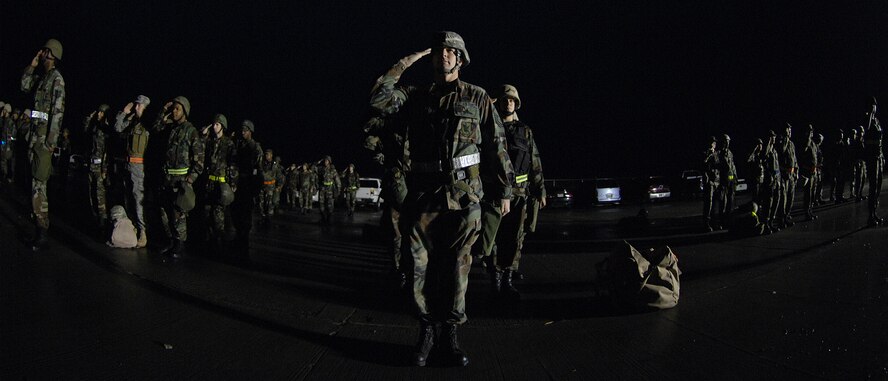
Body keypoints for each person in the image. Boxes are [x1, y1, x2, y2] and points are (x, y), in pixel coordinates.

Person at [369, 31, 513, 367]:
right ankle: (426, 332)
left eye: (451, 51)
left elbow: (496, 145)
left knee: (457, 270)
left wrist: (505, 191)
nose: (444, 55)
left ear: (460, 59)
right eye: (439, 51)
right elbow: (378, 99)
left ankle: (450, 335)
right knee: (419, 268)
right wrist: (409, 60)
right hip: (423, 199)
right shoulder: (415, 97)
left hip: (464, 200)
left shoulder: (477, 98)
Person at [482, 84, 545, 301]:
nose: (508, 102)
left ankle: (507, 279)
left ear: (516, 104)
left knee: (513, 238)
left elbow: (534, 161)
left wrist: (540, 189)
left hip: (519, 193)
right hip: (493, 192)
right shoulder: (489, 126)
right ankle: (495, 280)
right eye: (504, 99)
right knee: (493, 238)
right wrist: (488, 103)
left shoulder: (524, 130)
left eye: (512, 100)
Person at [20, 39, 66, 250]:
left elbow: (57, 113)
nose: (42, 52)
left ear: (52, 53)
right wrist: (32, 65)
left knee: (39, 186)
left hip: (43, 142)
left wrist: (50, 143)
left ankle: (42, 230)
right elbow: (24, 86)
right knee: (34, 185)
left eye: (45, 50)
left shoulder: (57, 80)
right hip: (34, 138)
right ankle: (38, 225)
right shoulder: (42, 78)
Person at [152, 96, 204, 259]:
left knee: (179, 214)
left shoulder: (191, 131)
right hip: (166, 178)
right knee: (164, 212)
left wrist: (189, 180)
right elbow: (155, 128)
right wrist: (163, 112)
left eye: (177, 109)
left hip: (181, 179)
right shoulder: (171, 128)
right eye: (173, 108)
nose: (174, 111)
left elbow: (199, 161)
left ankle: (180, 244)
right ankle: (171, 241)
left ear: (185, 111)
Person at [113, 95, 151, 248]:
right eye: (136, 105)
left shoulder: (147, 124)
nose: (136, 108)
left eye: (139, 106)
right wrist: (123, 112)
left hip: (140, 168)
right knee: (128, 198)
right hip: (128, 166)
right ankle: (133, 227)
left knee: (138, 200)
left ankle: (143, 232)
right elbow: (117, 128)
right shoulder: (132, 122)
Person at [200, 114, 237, 250]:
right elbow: (200, 150)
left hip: (220, 185)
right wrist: (203, 136)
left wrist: (233, 182)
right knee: (206, 214)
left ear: (223, 126)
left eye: (217, 124)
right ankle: (210, 241)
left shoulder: (228, 143)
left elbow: (232, 164)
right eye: (214, 124)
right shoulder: (209, 141)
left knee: (218, 217)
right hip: (209, 183)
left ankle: (218, 243)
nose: (214, 126)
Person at [231, 120, 262, 256]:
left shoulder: (255, 147)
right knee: (236, 211)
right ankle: (239, 235)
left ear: (250, 131)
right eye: (242, 129)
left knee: (246, 213)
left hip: (248, 184)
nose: (243, 132)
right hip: (238, 183)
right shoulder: (239, 145)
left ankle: (244, 239)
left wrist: (255, 188)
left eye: (246, 130)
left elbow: (258, 170)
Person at [84, 104, 112, 230]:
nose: (99, 114)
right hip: (91, 163)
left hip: (100, 166)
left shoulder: (106, 129)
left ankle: (102, 219)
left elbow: (107, 150)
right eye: (99, 112)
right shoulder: (95, 127)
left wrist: (104, 169)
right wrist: (89, 119)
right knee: (91, 192)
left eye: (102, 113)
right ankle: (94, 216)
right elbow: (86, 132)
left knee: (100, 193)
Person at [864, 102, 884, 226]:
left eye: (875, 106)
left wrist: (882, 156)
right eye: (872, 105)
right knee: (873, 186)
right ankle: (870, 216)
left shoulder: (876, 120)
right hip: (872, 157)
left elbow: (880, 140)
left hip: (878, 156)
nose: (874, 107)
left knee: (878, 186)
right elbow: (866, 129)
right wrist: (870, 114)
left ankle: (874, 212)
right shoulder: (868, 118)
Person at [761, 130, 783, 234]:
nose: (774, 138)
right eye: (772, 137)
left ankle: (771, 222)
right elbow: (764, 161)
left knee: (776, 201)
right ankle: (765, 224)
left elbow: (777, 166)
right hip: (770, 180)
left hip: (776, 179)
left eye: (774, 136)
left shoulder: (774, 150)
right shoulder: (767, 149)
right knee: (768, 202)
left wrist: (779, 179)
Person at [776, 123, 798, 228]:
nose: (789, 131)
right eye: (788, 130)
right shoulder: (781, 142)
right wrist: (785, 138)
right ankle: (781, 219)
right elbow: (782, 151)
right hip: (784, 174)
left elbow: (794, 159)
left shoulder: (792, 143)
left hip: (791, 173)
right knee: (783, 198)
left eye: (790, 130)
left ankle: (786, 216)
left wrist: (796, 171)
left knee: (791, 197)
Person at [798, 125, 819, 221]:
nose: (811, 133)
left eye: (812, 131)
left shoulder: (813, 143)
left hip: (814, 171)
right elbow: (802, 154)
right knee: (808, 193)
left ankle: (810, 211)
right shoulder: (805, 142)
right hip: (808, 171)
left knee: (813, 193)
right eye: (809, 131)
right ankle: (807, 212)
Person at [716, 134, 737, 227]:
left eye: (728, 141)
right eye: (726, 141)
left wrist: (735, 177)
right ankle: (721, 221)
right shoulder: (719, 153)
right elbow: (717, 167)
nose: (727, 143)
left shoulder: (730, 153)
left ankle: (728, 220)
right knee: (722, 202)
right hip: (723, 181)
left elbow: (733, 166)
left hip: (731, 180)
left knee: (730, 201)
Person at [258, 149, 282, 224]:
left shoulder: (275, 165)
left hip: (271, 186)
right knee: (261, 202)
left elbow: (279, 176)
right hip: (262, 185)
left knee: (269, 202)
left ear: (271, 155)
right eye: (266, 154)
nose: (267, 155)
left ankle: (268, 217)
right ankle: (263, 216)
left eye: (268, 154)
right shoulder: (262, 163)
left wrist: (279, 186)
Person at [702, 136, 720, 231]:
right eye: (711, 142)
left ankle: (714, 222)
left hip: (716, 180)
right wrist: (709, 155)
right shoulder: (705, 153)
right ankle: (706, 223)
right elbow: (703, 164)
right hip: (709, 181)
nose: (712, 144)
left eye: (713, 143)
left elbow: (718, 164)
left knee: (715, 203)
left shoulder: (716, 153)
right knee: (708, 202)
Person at [316, 155, 340, 224]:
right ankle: (323, 218)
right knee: (321, 204)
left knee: (330, 206)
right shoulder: (321, 169)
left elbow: (337, 180)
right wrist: (318, 162)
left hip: (330, 189)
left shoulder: (333, 170)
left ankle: (328, 219)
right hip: (323, 188)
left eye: (326, 161)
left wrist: (338, 190)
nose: (325, 162)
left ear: (329, 162)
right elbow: (313, 168)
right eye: (325, 161)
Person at [850, 126, 867, 202]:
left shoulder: (863, 140)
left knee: (863, 178)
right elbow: (854, 152)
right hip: (858, 161)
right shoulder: (856, 141)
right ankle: (857, 195)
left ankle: (860, 194)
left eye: (862, 131)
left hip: (863, 161)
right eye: (861, 131)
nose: (862, 133)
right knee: (859, 179)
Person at [0, 103, 16, 185]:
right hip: (2, 144)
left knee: (7, 163)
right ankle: (3, 177)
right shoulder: (3, 120)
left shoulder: (10, 122)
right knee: (2, 162)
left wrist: (9, 145)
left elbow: (13, 137)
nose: (3, 111)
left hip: (7, 147)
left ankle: (7, 177)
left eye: (4, 110)